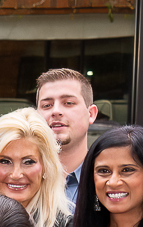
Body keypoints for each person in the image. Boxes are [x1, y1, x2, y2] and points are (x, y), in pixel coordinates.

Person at [34, 68, 100, 213]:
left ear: (91, 114)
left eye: (68, 103)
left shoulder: (107, 181)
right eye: (47, 105)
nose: (56, 111)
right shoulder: (20, 179)